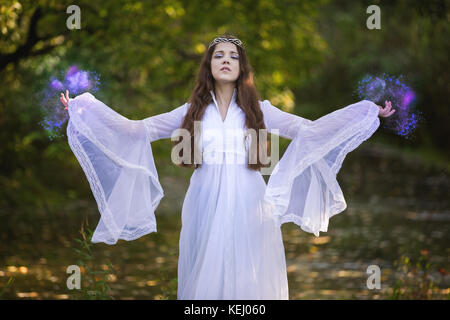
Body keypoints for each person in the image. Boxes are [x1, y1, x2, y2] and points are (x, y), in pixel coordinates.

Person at [59, 34, 395, 300]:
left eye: (233, 56)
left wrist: (364, 112)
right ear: (208, 66)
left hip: (250, 201)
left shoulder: (260, 110)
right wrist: (83, 109)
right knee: (206, 271)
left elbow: (311, 131)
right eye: (218, 55)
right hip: (203, 197)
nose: (225, 60)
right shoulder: (191, 110)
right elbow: (137, 130)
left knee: (248, 275)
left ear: (242, 68)